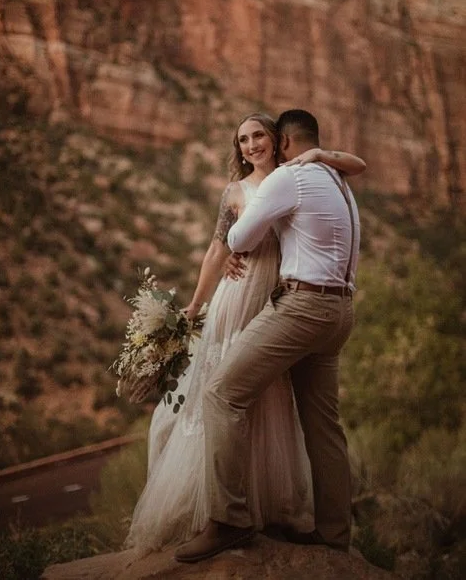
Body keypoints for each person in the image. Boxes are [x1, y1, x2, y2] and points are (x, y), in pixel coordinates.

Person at [125, 112, 364, 558]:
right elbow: (224, 245)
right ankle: (334, 536)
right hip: (339, 309)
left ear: (281, 141)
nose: (252, 145)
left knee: (220, 394)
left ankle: (230, 520)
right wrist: (200, 298)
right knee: (323, 425)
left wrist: (238, 245)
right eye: (243, 139)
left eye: (261, 136)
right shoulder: (335, 179)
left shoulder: (288, 179)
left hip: (299, 308)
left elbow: (237, 238)